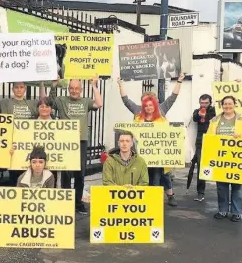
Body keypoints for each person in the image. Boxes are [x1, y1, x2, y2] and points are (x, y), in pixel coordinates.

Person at [118, 72, 185, 207]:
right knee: (143, 175)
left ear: (155, 102)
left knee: (158, 175)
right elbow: (126, 100)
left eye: (150, 103)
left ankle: (155, 201)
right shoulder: (137, 111)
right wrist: (121, 85)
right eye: (145, 103)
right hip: (141, 153)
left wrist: (179, 81)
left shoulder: (161, 110)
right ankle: (147, 198)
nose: (148, 106)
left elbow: (173, 97)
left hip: (158, 153)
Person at [49, 77, 103, 214]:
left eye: (77, 88)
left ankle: (78, 202)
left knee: (80, 173)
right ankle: (67, 202)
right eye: (71, 88)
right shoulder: (61, 101)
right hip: (65, 141)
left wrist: (94, 86)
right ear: (68, 89)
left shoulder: (85, 101)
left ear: (81, 90)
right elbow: (49, 102)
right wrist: (54, 85)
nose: (74, 91)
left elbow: (99, 104)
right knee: (66, 173)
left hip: (81, 141)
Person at [0, 70, 47, 186]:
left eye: (21, 87)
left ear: (25, 89)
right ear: (12, 89)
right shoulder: (5, 103)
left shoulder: (31, 104)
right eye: (16, 87)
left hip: (28, 145)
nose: (19, 89)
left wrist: (42, 82)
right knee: (14, 177)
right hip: (12, 146)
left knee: (28, 175)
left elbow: (44, 101)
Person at [207, 95, 242, 222]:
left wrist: (240, 137)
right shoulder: (214, 120)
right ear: (221, 105)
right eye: (225, 104)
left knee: (237, 186)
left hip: (237, 158)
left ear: (234, 105)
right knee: (221, 186)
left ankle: (237, 212)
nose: (227, 106)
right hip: (220, 158)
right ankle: (222, 211)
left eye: (230, 104)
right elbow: (209, 137)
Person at [190, 94, 216, 201]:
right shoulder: (197, 111)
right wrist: (201, 115)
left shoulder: (214, 111)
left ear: (210, 102)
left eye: (206, 103)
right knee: (201, 167)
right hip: (201, 142)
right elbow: (195, 118)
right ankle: (200, 192)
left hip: (215, 141)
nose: (204, 105)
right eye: (202, 103)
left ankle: (226, 194)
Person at [36, 97, 59, 186]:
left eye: (47, 106)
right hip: (37, 160)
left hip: (53, 160)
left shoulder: (58, 123)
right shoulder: (31, 122)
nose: (44, 109)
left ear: (51, 109)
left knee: (51, 183)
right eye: (41, 106)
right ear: (38, 108)